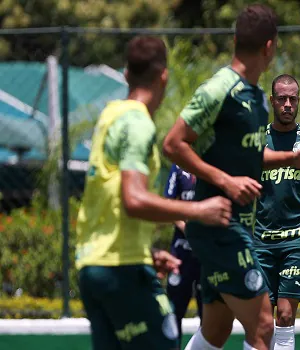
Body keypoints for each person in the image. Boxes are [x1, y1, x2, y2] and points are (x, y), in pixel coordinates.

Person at [162, 5, 300, 350]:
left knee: (215, 330)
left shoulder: (255, 98)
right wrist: (226, 181)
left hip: (234, 227)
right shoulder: (221, 89)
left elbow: (247, 157)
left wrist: (292, 157)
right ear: (270, 46)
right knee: (264, 327)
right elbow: (174, 144)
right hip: (220, 227)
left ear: (236, 40)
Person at [76, 36, 232, 350]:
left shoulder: (110, 116)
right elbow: (133, 199)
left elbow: (110, 199)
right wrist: (199, 211)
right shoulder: (138, 124)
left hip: (92, 266)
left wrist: (146, 254)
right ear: (164, 76)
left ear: (125, 74)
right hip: (121, 270)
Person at [254, 74, 300, 350]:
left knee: (285, 314)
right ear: (272, 100)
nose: (287, 104)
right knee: (261, 321)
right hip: (260, 241)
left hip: (296, 241)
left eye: (292, 99)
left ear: (298, 101)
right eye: (281, 99)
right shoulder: (258, 139)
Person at [164, 164, 203, 343]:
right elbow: (168, 203)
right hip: (181, 254)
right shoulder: (178, 169)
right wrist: (187, 228)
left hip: (207, 254)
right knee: (175, 310)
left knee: (209, 313)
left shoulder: (212, 163)